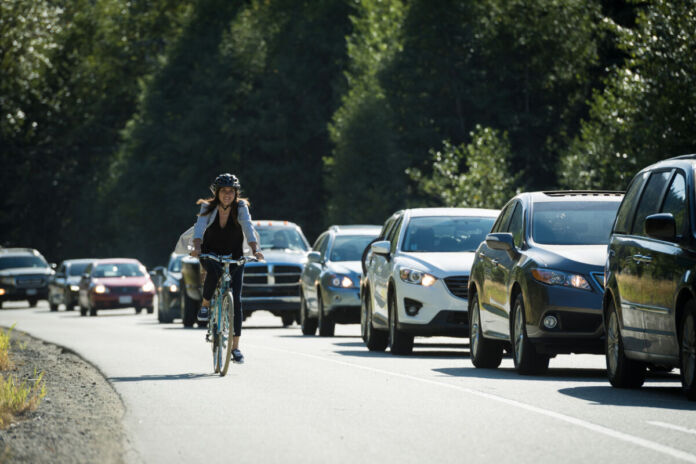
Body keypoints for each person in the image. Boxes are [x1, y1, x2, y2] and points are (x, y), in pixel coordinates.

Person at [190, 173, 264, 363]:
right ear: (217, 193)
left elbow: (248, 226)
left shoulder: (241, 207)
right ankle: (206, 305)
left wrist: (256, 249)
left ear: (236, 193)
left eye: (231, 191)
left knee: (236, 300)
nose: (228, 195)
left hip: (234, 255)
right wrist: (197, 247)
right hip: (210, 253)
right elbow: (199, 228)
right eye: (224, 191)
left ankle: (236, 348)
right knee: (213, 273)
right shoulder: (208, 206)